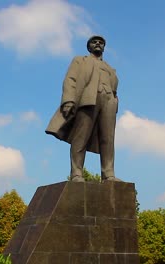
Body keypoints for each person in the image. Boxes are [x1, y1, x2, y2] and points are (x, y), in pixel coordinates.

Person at [46, 35, 121, 182]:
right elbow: (70, 79)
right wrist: (68, 100)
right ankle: (76, 173)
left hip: (109, 101)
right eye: (94, 42)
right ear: (89, 47)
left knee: (108, 139)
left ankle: (108, 174)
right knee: (81, 137)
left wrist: (114, 101)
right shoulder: (80, 60)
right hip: (89, 99)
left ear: (104, 48)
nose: (98, 44)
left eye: (101, 43)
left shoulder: (110, 68)